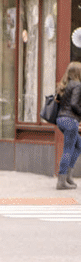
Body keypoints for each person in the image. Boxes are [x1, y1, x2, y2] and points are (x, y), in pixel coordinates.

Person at [53, 61, 81, 190]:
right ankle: (62, 181)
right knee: (68, 150)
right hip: (70, 121)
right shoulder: (77, 85)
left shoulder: (65, 85)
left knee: (78, 145)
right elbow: (75, 104)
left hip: (61, 120)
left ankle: (68, 176)